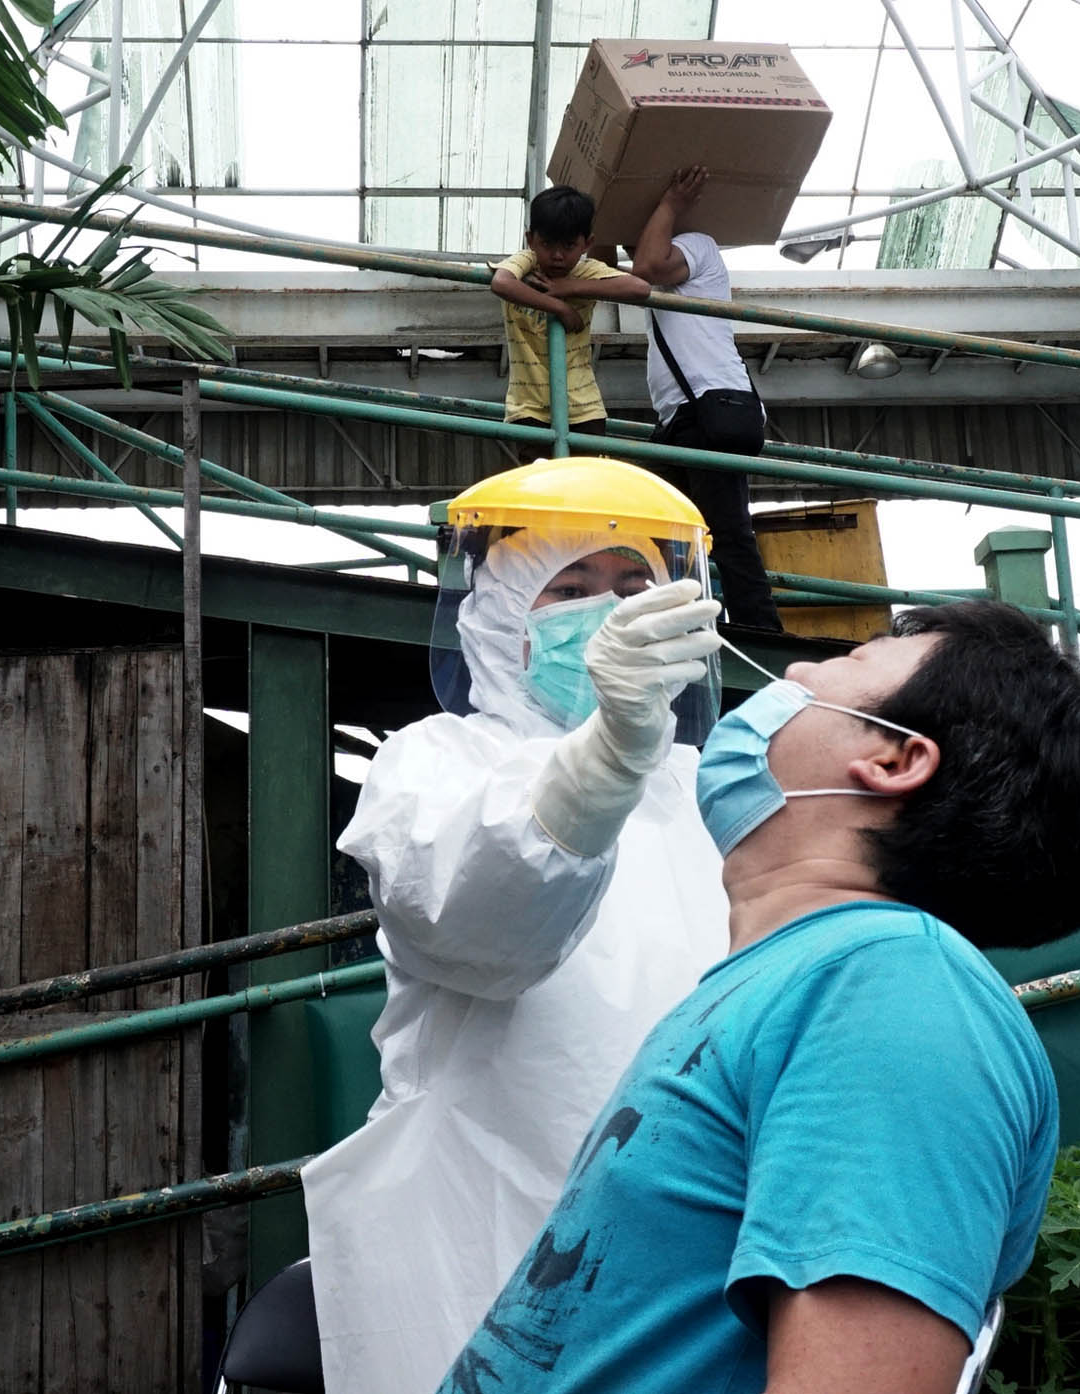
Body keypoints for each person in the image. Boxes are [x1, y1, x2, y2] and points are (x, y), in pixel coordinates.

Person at [439, 601, 1080, 1393]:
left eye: (847, 663)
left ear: (894, 759)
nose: (793, 674)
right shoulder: (799, 980)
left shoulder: (893, 989)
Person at [303, 457, 732, 1394]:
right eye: (569, 590)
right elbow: (485, 926)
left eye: (633, 584)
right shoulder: (437, 764)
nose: (611, 610)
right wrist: (604, 761)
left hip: (700, 1245)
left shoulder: (707, 787)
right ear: (499, 620)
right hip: (496, 1228)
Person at [629, 165, 783, 632]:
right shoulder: (660, 277)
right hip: (684, 417)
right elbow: (606, 267)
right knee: (658, 525)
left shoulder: (699, 246)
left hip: (710, 411)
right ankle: (677, 622)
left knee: (728, 531)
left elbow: (647, 266)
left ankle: (760, 632)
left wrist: (671, 202)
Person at [489, 188, 651, 464]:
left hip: (585, 409)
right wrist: (560, 307)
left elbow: (641, 288)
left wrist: (570, 286)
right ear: (531, 239)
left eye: (568, 246)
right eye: (548, 244)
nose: (557, 256)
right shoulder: (524, 263)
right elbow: (501, 283)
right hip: (529, 409)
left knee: (583, 493)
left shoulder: (584, 272)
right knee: (543, 494)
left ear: (587, 244)